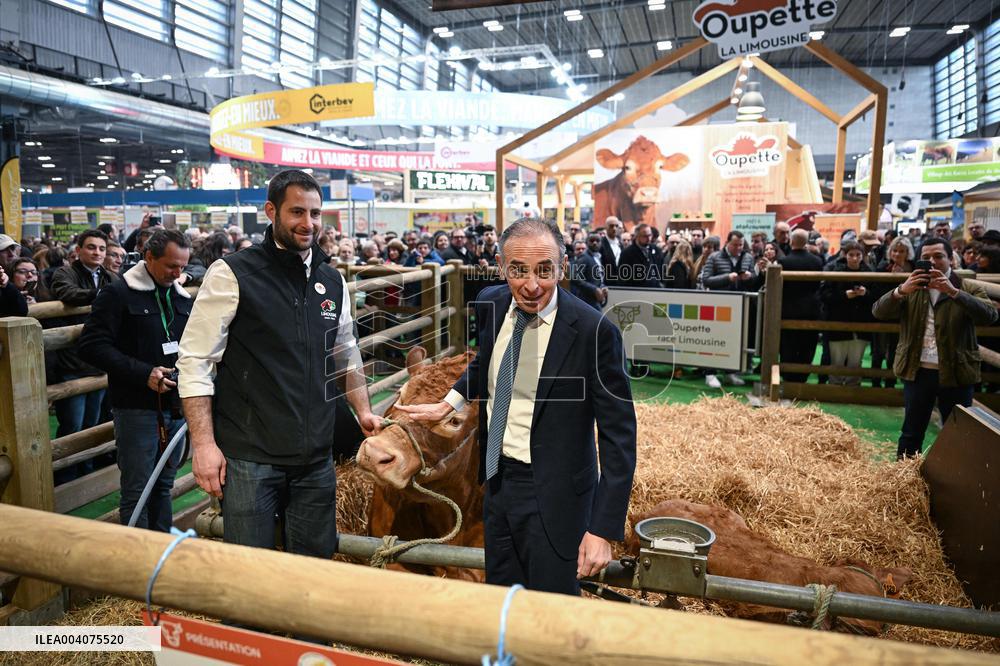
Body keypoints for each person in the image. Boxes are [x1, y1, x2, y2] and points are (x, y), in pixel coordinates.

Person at [395, 217, 636, 595]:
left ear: (563, 266)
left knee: (550, 610)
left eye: (545, 270)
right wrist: (450, 402)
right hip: (496, 484)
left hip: (558, 498)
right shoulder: (492, 302)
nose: (532, 285)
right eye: (518, 270)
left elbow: (619, 438)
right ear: (502, 266)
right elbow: (486, 360)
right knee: (503, 600)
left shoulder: (595, 332)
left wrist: (602, 529)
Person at [177, 169, 382, 558]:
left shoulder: (331, 280)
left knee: (312, 565)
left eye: (316, 213)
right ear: (272, 211)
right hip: (252, 455)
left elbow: (345, 351)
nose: (309, 224)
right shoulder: (233, 273)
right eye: (297, 212)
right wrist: (203, 444)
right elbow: (195, 361)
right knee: (250, 570)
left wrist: (363, 411)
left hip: (315, 456)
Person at [78, 229, 193, 531]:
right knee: (138, 490)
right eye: (171, 266)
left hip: (175, 407)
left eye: (183, 266)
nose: (178, 273)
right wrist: (144, 373)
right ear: (149, 257)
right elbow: (91, 345)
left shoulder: (180, 296)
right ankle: (137, 566)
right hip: (136, 409)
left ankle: (163, 555)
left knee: (163, 486)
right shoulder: (118, 293)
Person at [872, 237, 997, 459]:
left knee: (958, 433)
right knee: (911, 431)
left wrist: (953, 292)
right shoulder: (911, 286)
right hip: (917, 370)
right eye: (926, 257)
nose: (932, 261)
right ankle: (904, 484)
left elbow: (990, 316)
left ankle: (955, 484)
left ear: (951, 259)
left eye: (938, 256)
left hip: (957, 372)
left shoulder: (966, 286)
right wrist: (901, 290)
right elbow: (878, 312)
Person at [50, 229, 119, 438]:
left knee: (94, 421)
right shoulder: (65, 273)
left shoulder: (110, 276)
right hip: (72, 360)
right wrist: (101, 294)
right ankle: (68, 471)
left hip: (99, 360)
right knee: (73, 424)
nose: (97, 252)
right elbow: (67, 293)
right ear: (78, 250)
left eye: (101, 248)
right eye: (91, 247)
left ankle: (89, 467)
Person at [820, 240, 874, 386]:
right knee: (836, 359)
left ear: (863, 255)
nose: (855, 258)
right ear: (845, 254)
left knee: (856, 360)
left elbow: (876, 297)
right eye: (851, 255)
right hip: (838, 321)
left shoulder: (869, 272)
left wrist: (865, 293)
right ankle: (835, 387)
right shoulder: (834, 270)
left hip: (861, 322)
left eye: (858, 255)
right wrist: (844, 295)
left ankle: (853, 388)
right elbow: (825, 295)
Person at [776, 229, 824, 383]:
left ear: (791, 241)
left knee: (788, 344)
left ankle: (788, 375)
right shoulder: (817, 261)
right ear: (807, 241)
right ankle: (803, 375)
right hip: (811, 309)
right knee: (807, 344)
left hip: (788, 310)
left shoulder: (784, 262)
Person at [870, 237, 915, 388]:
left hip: (905, 316)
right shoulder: (883, 266)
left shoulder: (913, 267)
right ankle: (875, 382)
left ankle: (891, 381)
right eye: (895, 250)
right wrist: (893, 279)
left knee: (897, 350)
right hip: (884, 315)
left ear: (908, 253)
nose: (897, 254)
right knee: (879, 351)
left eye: (901, 251)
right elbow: (878, 292)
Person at [616, 224, 665, 288]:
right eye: (645, 236)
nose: (649, 238)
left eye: (650, 235)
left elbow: (661, 270)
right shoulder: (627, 253)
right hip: (636, 291)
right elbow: (623, 278)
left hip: (655, 290)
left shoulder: (656, 250)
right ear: (637, 236)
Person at [569, 236, 606, 310]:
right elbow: (574, 277)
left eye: (597, 240)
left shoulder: (597, 257)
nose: (595, 243)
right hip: (586, 299)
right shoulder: (584, 257)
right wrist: (594, 289)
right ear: (587, 243)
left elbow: (597, 277)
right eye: (592, 241)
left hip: (594, 298)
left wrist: (602, 286)